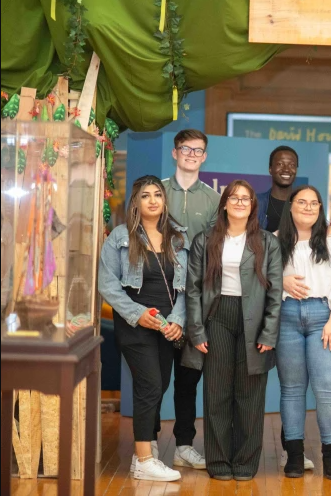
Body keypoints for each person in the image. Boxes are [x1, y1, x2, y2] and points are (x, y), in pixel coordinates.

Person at [183, 180, 283, 480]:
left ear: (253, 206)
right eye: (234, 197)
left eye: (246, 199)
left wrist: (268, 332)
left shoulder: (268, 243)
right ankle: (218, 462)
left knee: (250, 395)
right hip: (218, 317)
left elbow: (276, 292)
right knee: (217, 393)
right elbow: (193, 290)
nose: (240, 202)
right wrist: (197, 331)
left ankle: (245, 462)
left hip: (253, 319)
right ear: (224, 203)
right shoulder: (205, 240)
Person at [98, 175, 189, 482]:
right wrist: (137, 314)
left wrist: (177, 320)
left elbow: (187, 289)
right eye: (145, 195)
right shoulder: (121, 237)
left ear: (164, 201)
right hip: (135, 323)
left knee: (160, 383)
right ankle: (144, 460)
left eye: (157, 195)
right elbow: (107, 285)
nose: (152, 200)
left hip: (167, 326)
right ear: (135, 202)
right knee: (149, 385)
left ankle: (147, 441)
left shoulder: (179, 238)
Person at [275, 185, 331, 480]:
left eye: (314, 203)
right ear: (291, 207)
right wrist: (282, 282)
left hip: (325, 316)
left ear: (321, 208)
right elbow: (264, 277)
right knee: (292, 390)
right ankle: (294, 456)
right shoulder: (275, 240)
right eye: (302, 202)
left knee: (328, 390)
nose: (308, 207)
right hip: (287, 317)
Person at [161, 129, 221, 470]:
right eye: (186, 148)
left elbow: (213, 250)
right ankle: (149, 444)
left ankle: (184, 444)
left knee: (188, 379)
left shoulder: (213, 200)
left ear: (205, 156)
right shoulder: (158, 191)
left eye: (198, 150)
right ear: (175, 152)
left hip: (196, 299)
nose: (191, 154)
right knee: (154, 380)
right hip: (156, 292)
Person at [257, 145, 299, 232]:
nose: (286, 169)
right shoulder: (256, 203)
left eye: (292, 165)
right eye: (280, 164)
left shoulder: (304, 205)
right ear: (270, 169)